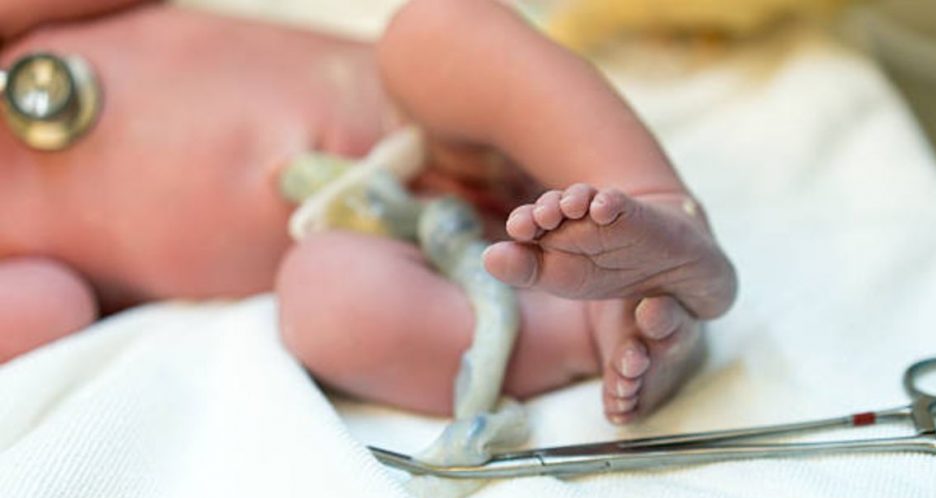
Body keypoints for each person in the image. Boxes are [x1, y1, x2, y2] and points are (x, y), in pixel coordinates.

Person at [0, 0, 736, 424]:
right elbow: (52, 308)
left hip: (427, 114)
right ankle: (603, 324)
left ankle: (650, 203)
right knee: (328, 310)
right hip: (407, 247)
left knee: (434, 31)